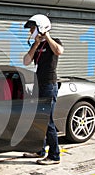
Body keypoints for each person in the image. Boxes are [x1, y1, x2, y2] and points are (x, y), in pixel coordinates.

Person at [22, 14, 64, 165]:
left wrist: (47, 36)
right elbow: (26, 61)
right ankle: (39, 150)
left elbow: (59, 51)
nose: (30, 31)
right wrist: (36, 44)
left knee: (47, 121)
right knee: (38, 119)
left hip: (49, 85)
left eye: (32, 28)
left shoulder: (54, 43)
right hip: (38, 85)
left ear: (41, 27)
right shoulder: (37, 45)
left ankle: (54, 155)